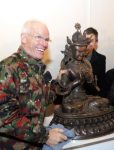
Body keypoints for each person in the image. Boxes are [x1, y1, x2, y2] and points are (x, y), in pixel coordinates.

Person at [0, 20, 67, 149]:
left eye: (47, 39)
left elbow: (43, 98)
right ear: (23, 38)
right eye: (39, 37)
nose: (45, 44)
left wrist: (60, 81)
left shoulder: (34, 69)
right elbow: (5, 119)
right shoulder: (7, 68)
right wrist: (45, 136)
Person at [83, 27, 106, 96]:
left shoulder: (101, 59)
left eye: (91, 40)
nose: (88, 43)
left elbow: (101, 83)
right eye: (85, 40)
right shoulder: (72, 57)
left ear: (96, 42)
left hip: (91, 97)